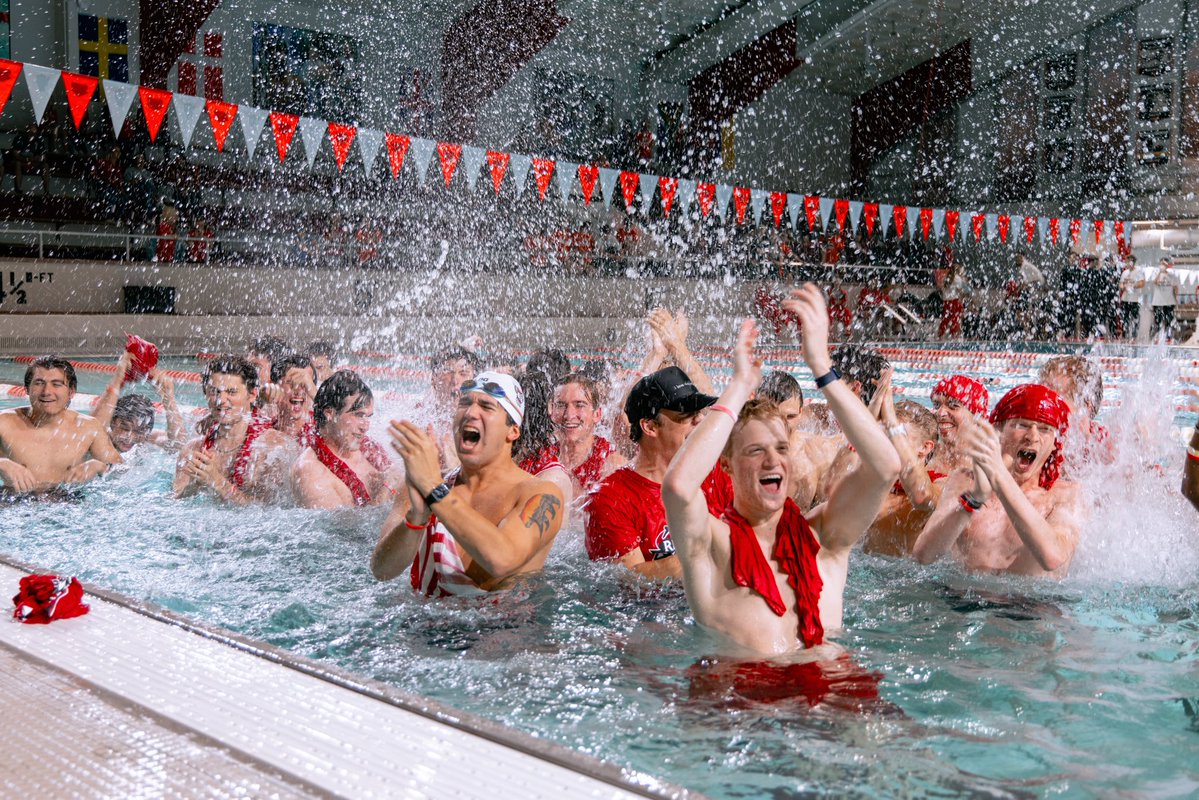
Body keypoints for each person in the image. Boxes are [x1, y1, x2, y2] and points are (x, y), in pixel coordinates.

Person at [661, 285, 901, 656]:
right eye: (756, 451)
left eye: (781, 449)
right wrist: (739, 386)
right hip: (747, 708)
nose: (773, 461)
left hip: (831, 704)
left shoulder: (825, 539)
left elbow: (885, 466)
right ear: (726, 464)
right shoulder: (711, 546)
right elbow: (677, 486)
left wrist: (822, 367)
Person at [371, 371, 565, 596]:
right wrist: (417, 516)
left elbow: (502, 559)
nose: (471, 412)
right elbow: (382, 570)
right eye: (464, 403)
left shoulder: (540, 495)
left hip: (502, 628)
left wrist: (435, 490)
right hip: (423, 626)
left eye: (486, 406)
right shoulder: (422, 485)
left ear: (512, 431)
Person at [913, 384, 1082, 577]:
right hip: (959, 601)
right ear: (999, 431)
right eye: (1022, 425)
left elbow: (1052, 557)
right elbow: (923, 555)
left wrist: (1000, 476)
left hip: (1031, 605)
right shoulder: (965, 481)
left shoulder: (1065, 495)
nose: (1032, 437)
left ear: (1054, 443)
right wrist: (974, 498)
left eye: (1044, 429)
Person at [584, 365, 732, 580]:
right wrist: (722, 548)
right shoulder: (610, 499)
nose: (700, 421)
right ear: (650, 427)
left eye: (699, 412)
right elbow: (631, 579)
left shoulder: (714, 472)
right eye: (686, 415)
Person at [173, 355, 289, 503]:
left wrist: (217, 481)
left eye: (231, 392)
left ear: (252, 395)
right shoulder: (192, 450)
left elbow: (270, 511)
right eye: (214, 392)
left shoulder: (272, 447)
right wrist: (194, 485)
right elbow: (175, 502)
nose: (220, 400)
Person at [0, 357, 123, 493]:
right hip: (13, 504)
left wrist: (98, 466)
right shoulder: (4, 423)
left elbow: (123, 473)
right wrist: (2, 464)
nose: (46, 391)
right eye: (39, 383)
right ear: (27, 389)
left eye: (57, 384)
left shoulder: (88, 428)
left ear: (71, 392)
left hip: (68, 504)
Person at [291, 370, 395, 508]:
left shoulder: (368, 448)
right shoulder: (309, 471)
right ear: (329, 413)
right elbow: (348, 529)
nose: (365, 427)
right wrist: (388, 487)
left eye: (367, 417)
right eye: (358, 415)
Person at [544, 373, 626, 495]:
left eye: (579, 405)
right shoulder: (541, 459)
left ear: (597, 415)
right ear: (552, 412)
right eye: (561, 405)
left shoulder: (614, 467)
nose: (569, 415)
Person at [92, 352, 186, 453]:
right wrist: (118, 380)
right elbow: (91, 431)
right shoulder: (104, 437)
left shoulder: (151, 439)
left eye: (138, 431)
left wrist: (169, 399)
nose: (129, 437)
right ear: (113, 423)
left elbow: (178, 445)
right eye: (125, 428)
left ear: (147, 431)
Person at [1037, 355, 1114, 469]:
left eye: (1053, 402)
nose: (1041, 408)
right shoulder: (1036, 440)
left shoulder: (1106, 448)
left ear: (1085, 408)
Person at [928, 375, 989, 475]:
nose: (941, 413)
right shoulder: (925, 451)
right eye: (937, 405)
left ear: (977, 418)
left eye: (953, 406)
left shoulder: (986, 466)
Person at [265, 354, 318, 445]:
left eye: (305, 383)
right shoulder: (262, 428)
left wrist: (316, 395)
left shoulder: (321, 429)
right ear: (275, 386)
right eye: (291, 382)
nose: (299, 391)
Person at [1149, 257, 1181, 342]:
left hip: (1169, 301)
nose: (1163, 265)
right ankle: (1157, 337)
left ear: (1167, 265)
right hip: (1158, 302)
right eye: (1161, 264)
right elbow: (1155, 282)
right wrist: (1160, 272)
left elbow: (1175, 287)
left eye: (1164, 264)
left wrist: (1176, 299)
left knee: (1169, 321)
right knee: (1158, 321)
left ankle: (1168, 337)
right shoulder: (1156, 273)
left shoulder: (1172, 275)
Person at [1117, 257, 1145, 341]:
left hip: (1135, 299)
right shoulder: (1125, 273)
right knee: (1125, 318)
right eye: (1127, 261)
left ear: (1133, 262)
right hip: (1125, 299)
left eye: (1129, 262)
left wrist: (1132, 286)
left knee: (1135, 318)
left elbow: (1142, 283)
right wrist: (1124, 287)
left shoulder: (1139, 271)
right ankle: (1125, 335)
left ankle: (1134, 336)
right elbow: (1121, 284)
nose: (1128, 263)